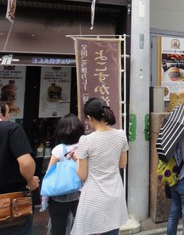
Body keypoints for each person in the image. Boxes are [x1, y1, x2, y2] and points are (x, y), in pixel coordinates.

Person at [72, 98, 129, 235]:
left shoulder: (86, 141)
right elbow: (122, 164)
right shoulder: (121, 135)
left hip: (94, 196)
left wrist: (76, 159)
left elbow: (82, 175)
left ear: (89, 118)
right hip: (115, 193)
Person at [0, 101, 40, 235]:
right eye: (7, 113)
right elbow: (26, 163)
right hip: (10, 204)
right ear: (2, 113)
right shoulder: (11, 129)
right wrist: (30, 180)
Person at [47, 114, 85, 235]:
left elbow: (49, 172)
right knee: (82, 227)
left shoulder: (59, 149)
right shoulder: (83, 147)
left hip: (59, 195)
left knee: (58, 228)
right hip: (80, 195)